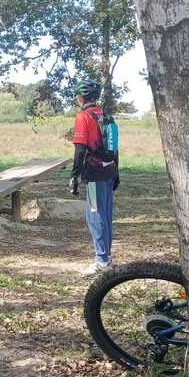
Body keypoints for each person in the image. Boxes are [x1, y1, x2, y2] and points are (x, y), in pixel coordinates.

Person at [68, 79, 119, 275]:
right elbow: (115, 149)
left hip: (94, 175)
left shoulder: (83, 117)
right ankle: (106, 257)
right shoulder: (106, 116)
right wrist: (117, 174)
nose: (76, 99)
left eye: (77, 95)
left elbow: (80, 149)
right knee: (105, 216)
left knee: (94, 215)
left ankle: (102, 260)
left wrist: (74, 176)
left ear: (82, 97)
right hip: (109, 172)